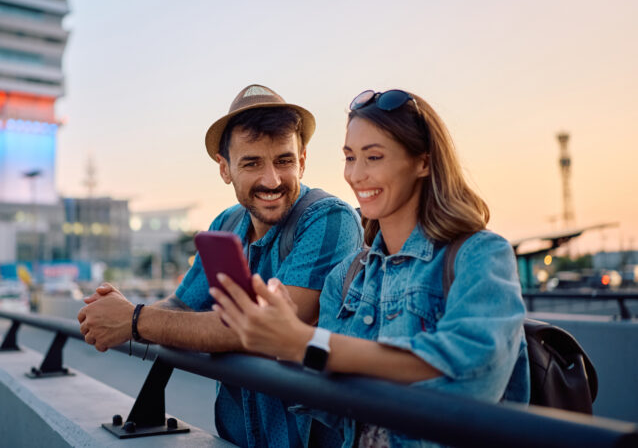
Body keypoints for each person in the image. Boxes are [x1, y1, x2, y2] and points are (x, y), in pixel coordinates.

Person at [211, 89, 530, 447]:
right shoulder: (346, 279)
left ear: (423, 162)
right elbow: (333, 409)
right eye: (350, 157)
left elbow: (474, 372)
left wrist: (307, 341)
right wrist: (287, 346)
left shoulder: (480, 255)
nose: (356, 175)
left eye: (374, 157)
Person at [77, 84, 363, 447]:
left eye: (284, 161)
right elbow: (183, 305)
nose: (271, 180)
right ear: (224, 168)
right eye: (252, 163)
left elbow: (265, 330)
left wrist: (133, 320)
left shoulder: (328, 220)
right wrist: (117, 310)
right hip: (234, 439)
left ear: (303, 160)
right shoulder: (226, 224)